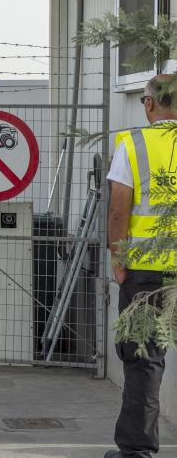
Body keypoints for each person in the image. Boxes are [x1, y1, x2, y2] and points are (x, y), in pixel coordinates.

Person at [104, 75, 177, 458]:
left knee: (144, 360)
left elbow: (119, 209)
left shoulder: (133, 144)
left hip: (147, 273)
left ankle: (136, 452)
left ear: (149, 104)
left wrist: (119, 260)